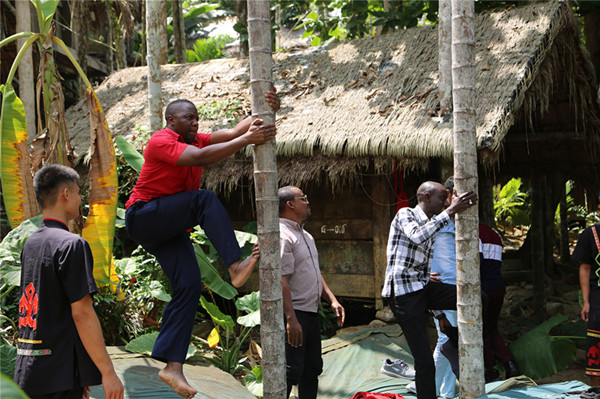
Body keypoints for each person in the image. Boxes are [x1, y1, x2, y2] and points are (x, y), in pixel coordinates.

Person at [125, 90, 280, 398]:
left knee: (189, 286)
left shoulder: (197, 138)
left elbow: (236, 130)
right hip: (143, 216)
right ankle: (234, 264)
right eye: (189, 118)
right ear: (172, 120)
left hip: (169, 228)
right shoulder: (161, 141)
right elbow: (201, 158)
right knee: (204, 200)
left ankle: (172, 366)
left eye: (197, 117)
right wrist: (247, 140)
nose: (196, 122)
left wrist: (266, 110)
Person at [14, 164, 124, 399]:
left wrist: (79, 373)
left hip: (28, 371)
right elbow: (82, 313)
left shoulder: (30, 244)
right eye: (78, 192)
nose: (80, 199)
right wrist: (108, 373)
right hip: (56, 379)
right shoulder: (71, 245)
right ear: (67, 194)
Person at [382, 181, 477, 399]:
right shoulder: (405, 214)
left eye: (447, 199)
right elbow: (417, 236)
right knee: (424, 361)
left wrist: (438, 310)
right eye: (441, 199)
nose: (445, 203)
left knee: (475, 296)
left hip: (423, 287)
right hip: (404, 296)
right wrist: (451, 210)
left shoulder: (434, 223)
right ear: (425, 197)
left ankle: (453, 343)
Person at [279, 186, 345, 399]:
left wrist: (332, 299)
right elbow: (281, 279)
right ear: (290, 204)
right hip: (295, 313)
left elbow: (315, 272)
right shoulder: (282, 235)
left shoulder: (305, 235)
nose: (307, 202)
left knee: (312, 369)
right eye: (303, 198)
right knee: (291, 370)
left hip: (311, 313)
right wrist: (291, 319)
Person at [479, 223, 520, 381]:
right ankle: (509, 362)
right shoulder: (494, 234)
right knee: (492, 327)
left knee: (483, 330)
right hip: (497, 286)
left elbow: (478, 263)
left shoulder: (471, 232)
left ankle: (490, 371)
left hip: (483, 288)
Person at [573, 193, 600, 387]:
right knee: (596, 343)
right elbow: (585, 267)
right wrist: (586, 301)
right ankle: (596, 389)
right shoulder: (590, 234)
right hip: (599, 299)